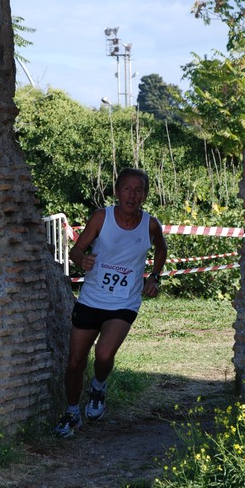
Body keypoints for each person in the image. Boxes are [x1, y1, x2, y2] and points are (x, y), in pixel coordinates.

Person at [54, 168, 167, 437]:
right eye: (126, 189)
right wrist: (81, 259)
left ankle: (98, 387)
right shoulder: (101, 217)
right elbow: (76, 250)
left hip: (124, 302)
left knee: (104, 354)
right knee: (75, 362)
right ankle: (72, 413)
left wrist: (155, 277)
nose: (132, 195)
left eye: (138, 190)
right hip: (92, 298)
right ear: (117, 192)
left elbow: (161, 247)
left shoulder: (150, 224)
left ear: (144, 195)